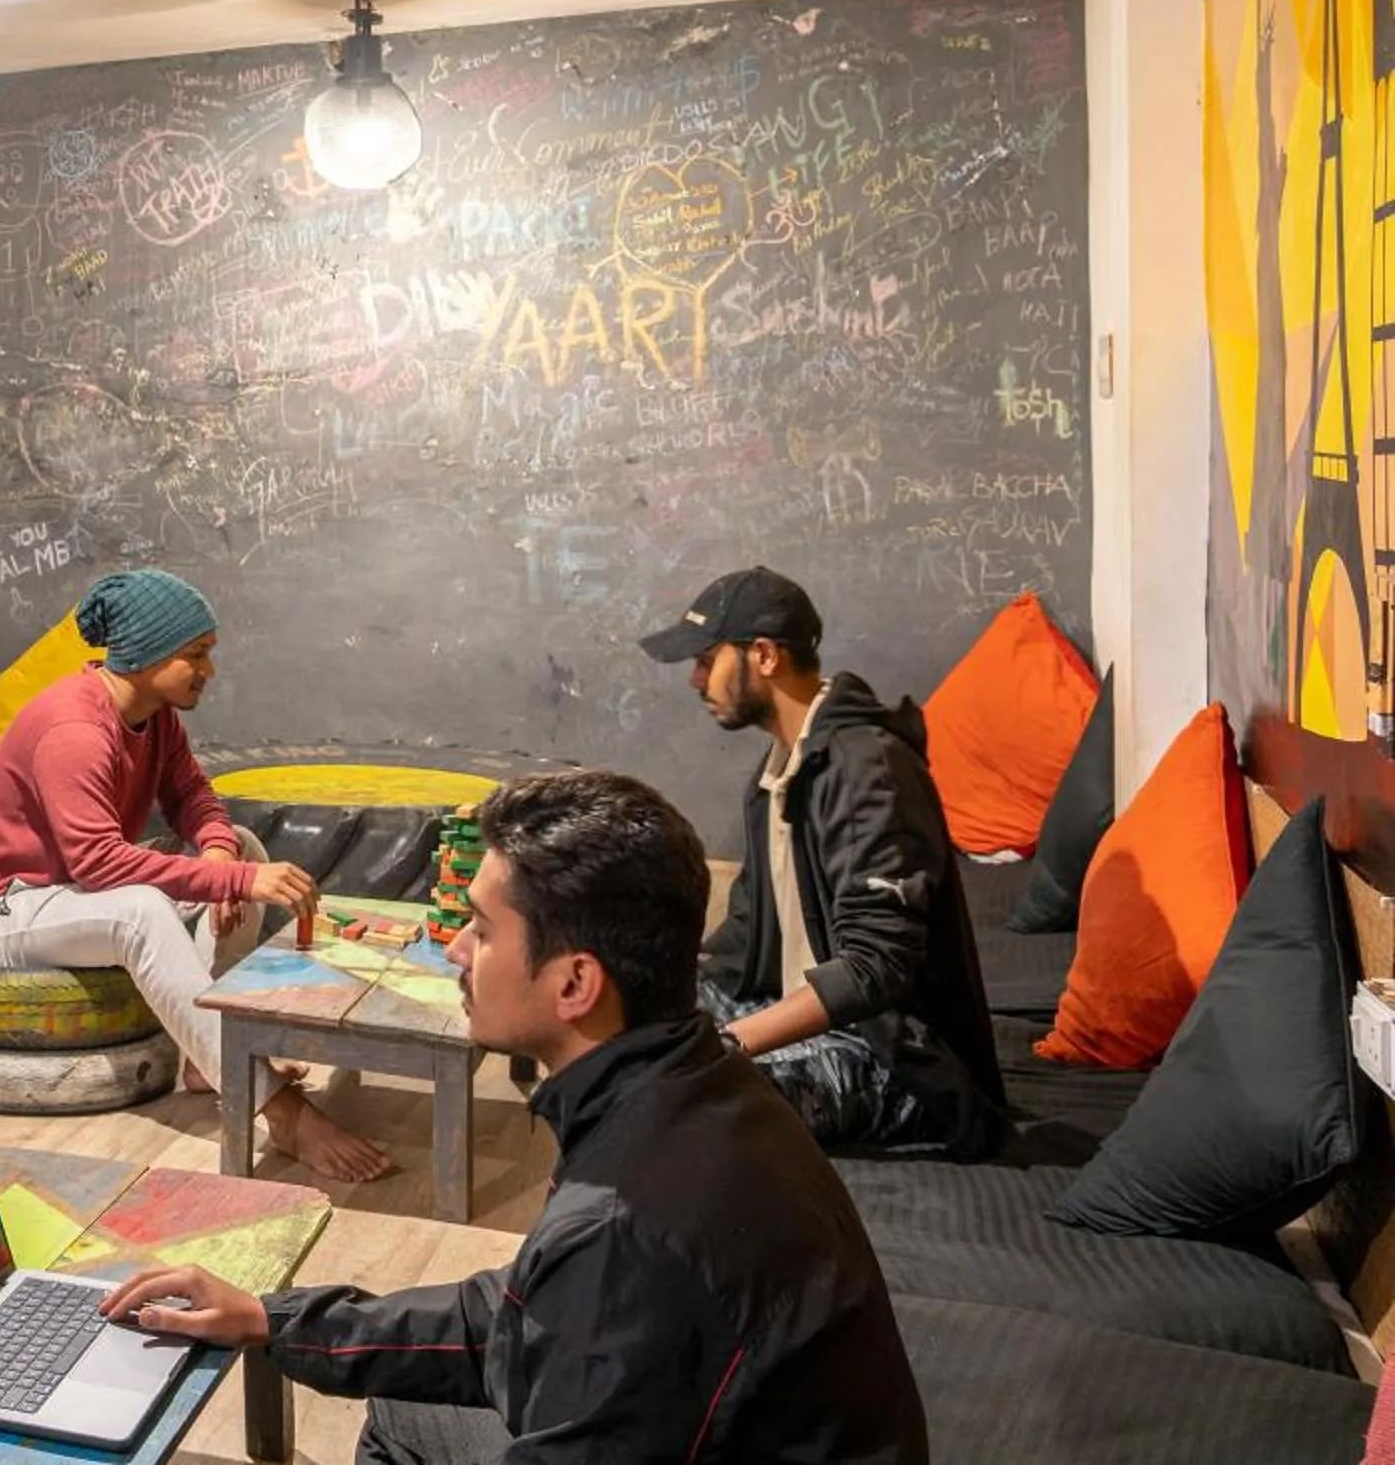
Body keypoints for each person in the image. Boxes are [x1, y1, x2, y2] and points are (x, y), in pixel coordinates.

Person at [102, 770, 930, 1465]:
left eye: (483, 930)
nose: (456, 950)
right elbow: (523, 1317)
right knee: (403, 1416)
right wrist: (274, 1317)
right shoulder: (700, 1084)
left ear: (575, 983)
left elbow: (568, 1322)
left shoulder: (624, 1225)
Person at [0, 569, 390, 1181]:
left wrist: (222, 860)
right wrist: (228, 885)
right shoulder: (73, 728)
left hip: (67, 894)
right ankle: (281, 1113)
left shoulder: (154, 716)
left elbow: (196, 800)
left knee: (244, 847)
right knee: (143, 911)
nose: (209, 671)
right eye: (195, 656)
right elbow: (97, 862)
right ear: (147, 654)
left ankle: (211, 1061)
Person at [639, 566, 1004, 1154]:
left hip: (894, 1059)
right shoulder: (781, 767)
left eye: (707, 659)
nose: (695, 679)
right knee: (624, 1013)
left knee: (680, 1094)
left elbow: (875, 968)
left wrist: (728, 1042)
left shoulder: (867, 768)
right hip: (811, 1014)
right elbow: (744, 936)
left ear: (762, 655)